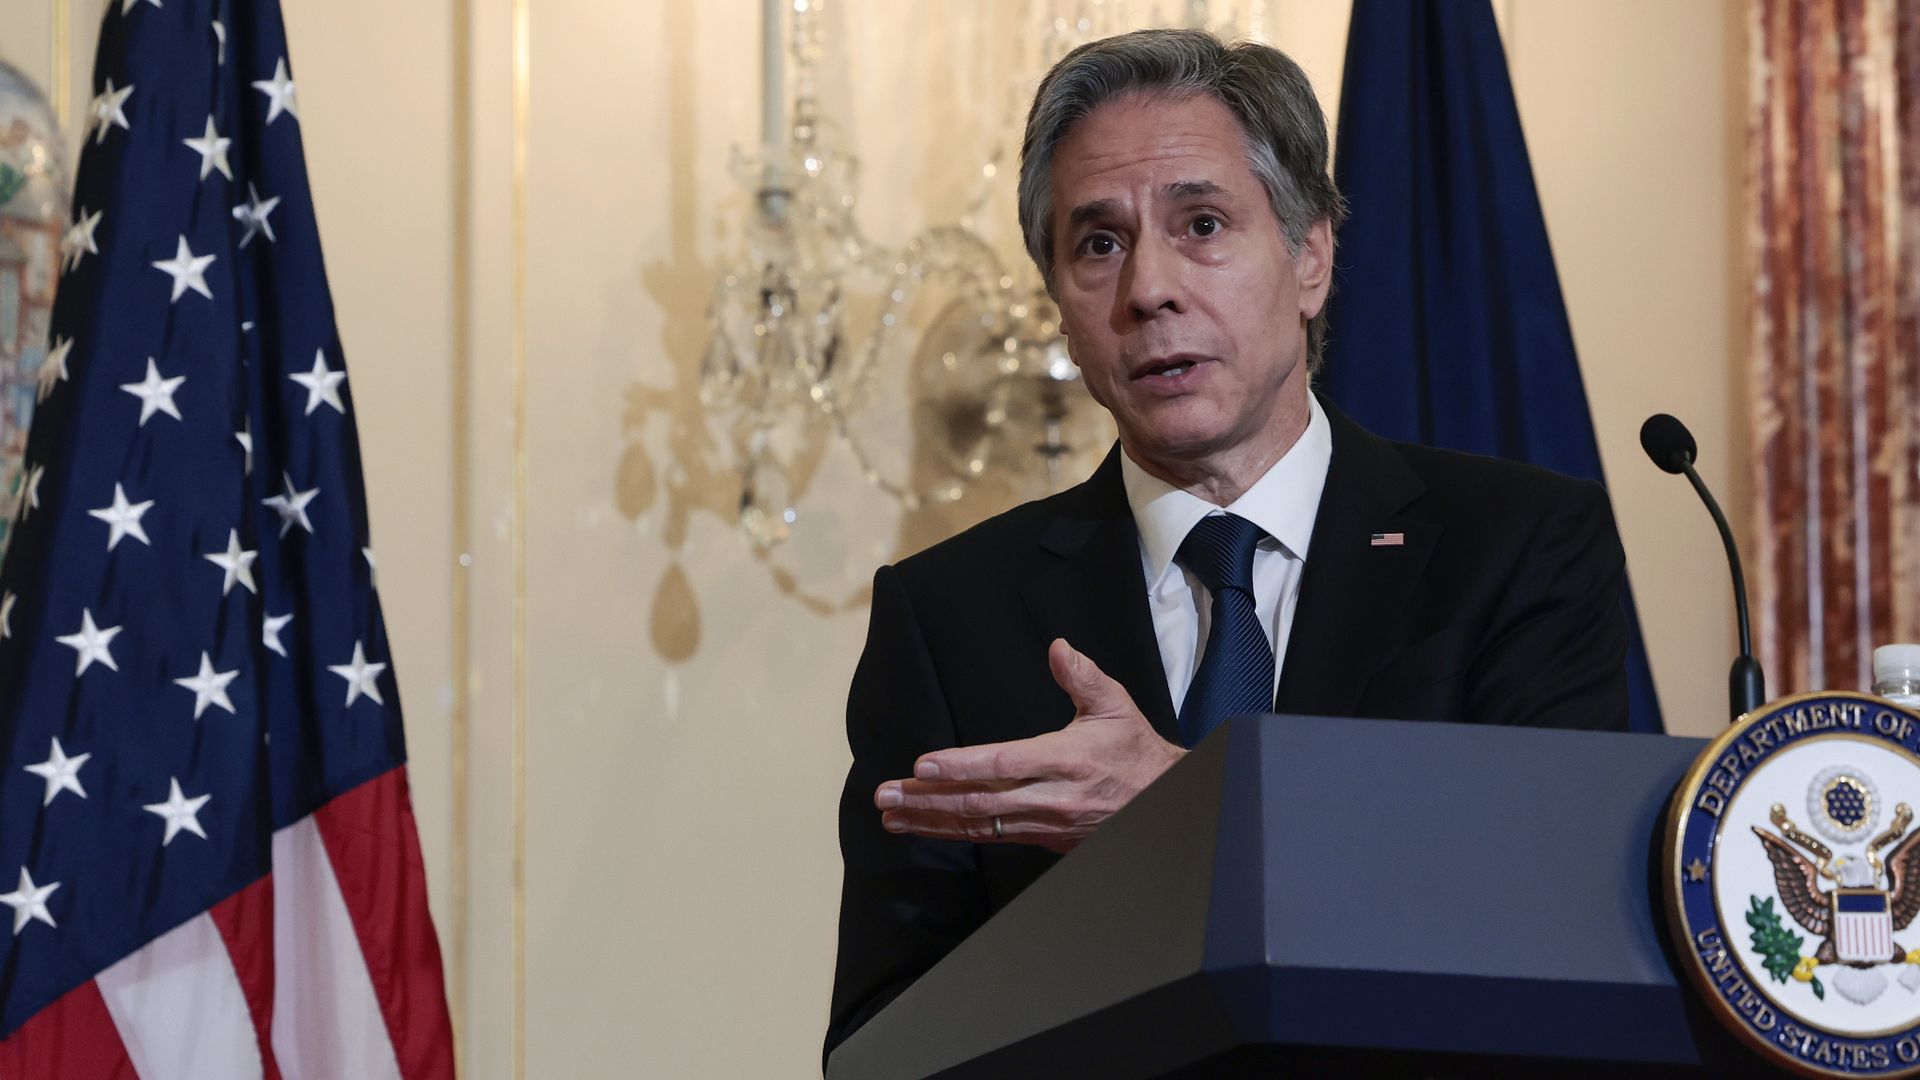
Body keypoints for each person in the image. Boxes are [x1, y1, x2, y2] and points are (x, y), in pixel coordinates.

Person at [824, 27, 1631, 1061]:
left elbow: (1553, 920)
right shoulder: (950, 619)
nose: (1148, 288)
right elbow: (886, 1046)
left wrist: (1184, 824)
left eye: (1202, 224)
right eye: (1098, 243)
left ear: (1311, 258)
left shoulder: (1517, 550)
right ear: (1060, 309)